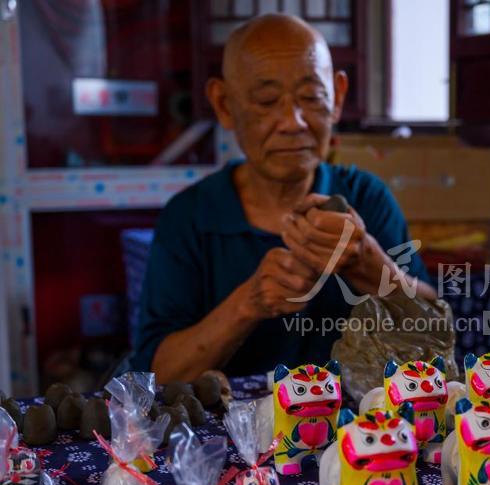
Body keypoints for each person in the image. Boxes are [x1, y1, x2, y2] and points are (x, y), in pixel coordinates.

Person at [129, 14, 435, 383]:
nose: (293, 122)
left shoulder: (365, 198)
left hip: (357, 431)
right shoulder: (191, 216)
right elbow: (155, 375)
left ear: (337, 97)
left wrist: (367, 264)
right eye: (267, 100)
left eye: (311, 97)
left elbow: (435, 333)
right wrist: (248, 304)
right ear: (224, 104)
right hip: (229, 435)